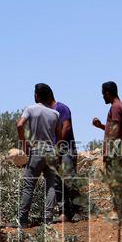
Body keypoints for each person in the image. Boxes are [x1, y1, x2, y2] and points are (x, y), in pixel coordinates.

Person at [17, 83, 64, 227]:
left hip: (36, 150)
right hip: (51, 152)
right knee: (50, 186)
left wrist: (25, 144)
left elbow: (19, 125)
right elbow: (60, 136)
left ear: (36, 95)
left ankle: (23, 221)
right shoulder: (55, 114)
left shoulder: (30, 109)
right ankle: (48, 219)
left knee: (29, 186)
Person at [92, 80, 122, 217]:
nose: (103, 97)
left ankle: (121, 211)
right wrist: (101, 126)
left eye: (103, 94)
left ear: (108, 93)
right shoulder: (120, 106)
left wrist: (109, 151)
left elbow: (114, 131)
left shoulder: (115, 107)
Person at [47, 88, 80, 221]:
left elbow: (66, 127)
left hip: (66, 150)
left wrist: (57, 146)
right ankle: (64, 213)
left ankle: (78, 211)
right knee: (57, 182)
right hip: (55, 151)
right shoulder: (48, 112)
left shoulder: (62, 108)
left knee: (69, 179)